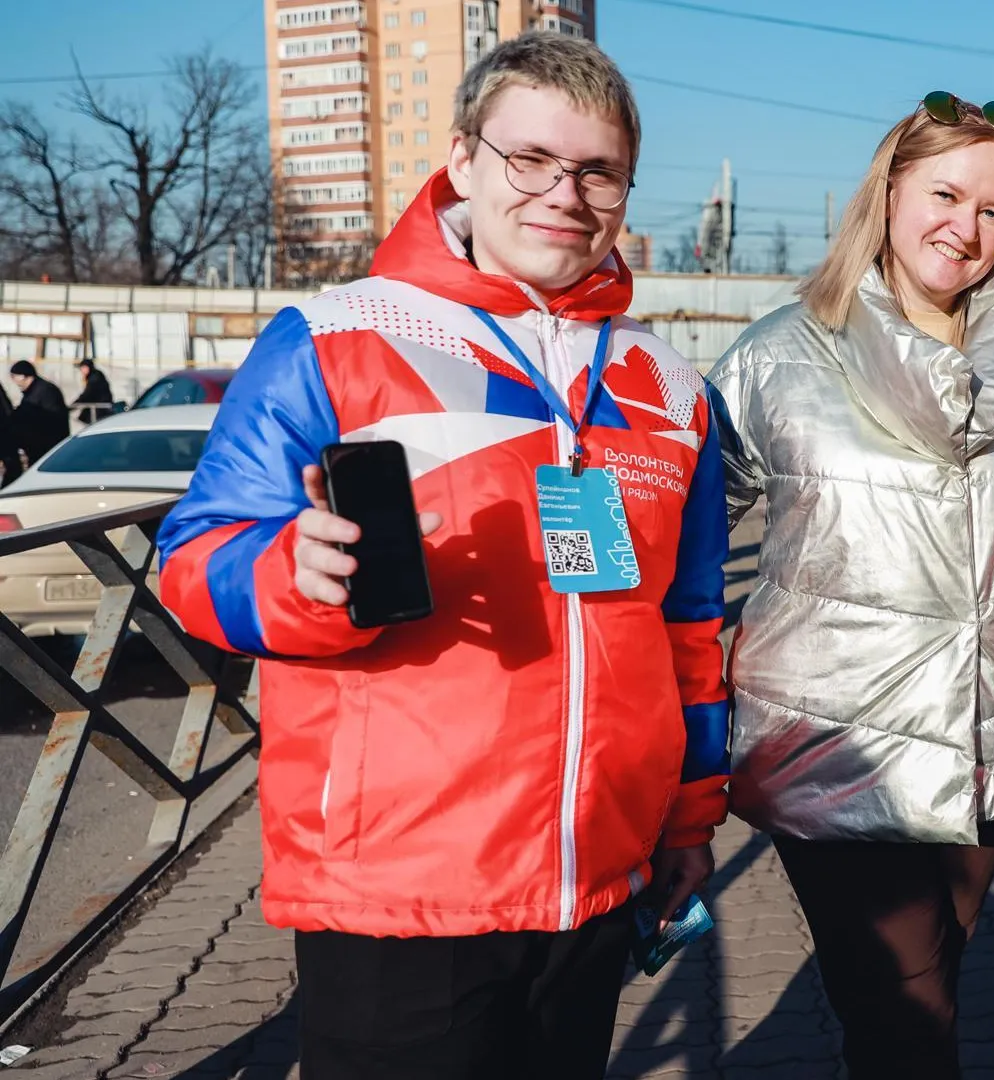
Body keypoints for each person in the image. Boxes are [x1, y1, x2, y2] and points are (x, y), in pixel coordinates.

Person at [155, 34, 730, 1079]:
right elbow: (195, 560)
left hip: (597, 880)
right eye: (531, 160)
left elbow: (689, 629)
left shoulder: (672, 384)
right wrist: (295, 578)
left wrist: (690, 816)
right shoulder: (333, 337)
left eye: (598, 171)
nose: (566, 194)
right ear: (462, 160)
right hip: (401, 892)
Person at [708, 91, 994, 1079]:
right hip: (836, 742)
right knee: (907, 1014)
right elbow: (684, 531)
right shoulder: (779, 356)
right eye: (945, 194)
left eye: (992, 211)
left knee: (921, 996)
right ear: (889, 191)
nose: (965, 227)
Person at [10, 361, 70, 465]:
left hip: (47, 446)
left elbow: (52, 418)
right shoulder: (33, 391)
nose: (14, 381)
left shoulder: (45, 391)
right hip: (38, 444)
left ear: (23, 376)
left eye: (14, 376)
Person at [73, 358, 115, 425]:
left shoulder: (94, 378)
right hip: (99, 406)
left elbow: (87, 394)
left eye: (84, 368)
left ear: (88, 367)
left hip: (101, 408)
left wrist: (73, 405)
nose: (82, 370)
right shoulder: (95, 375)